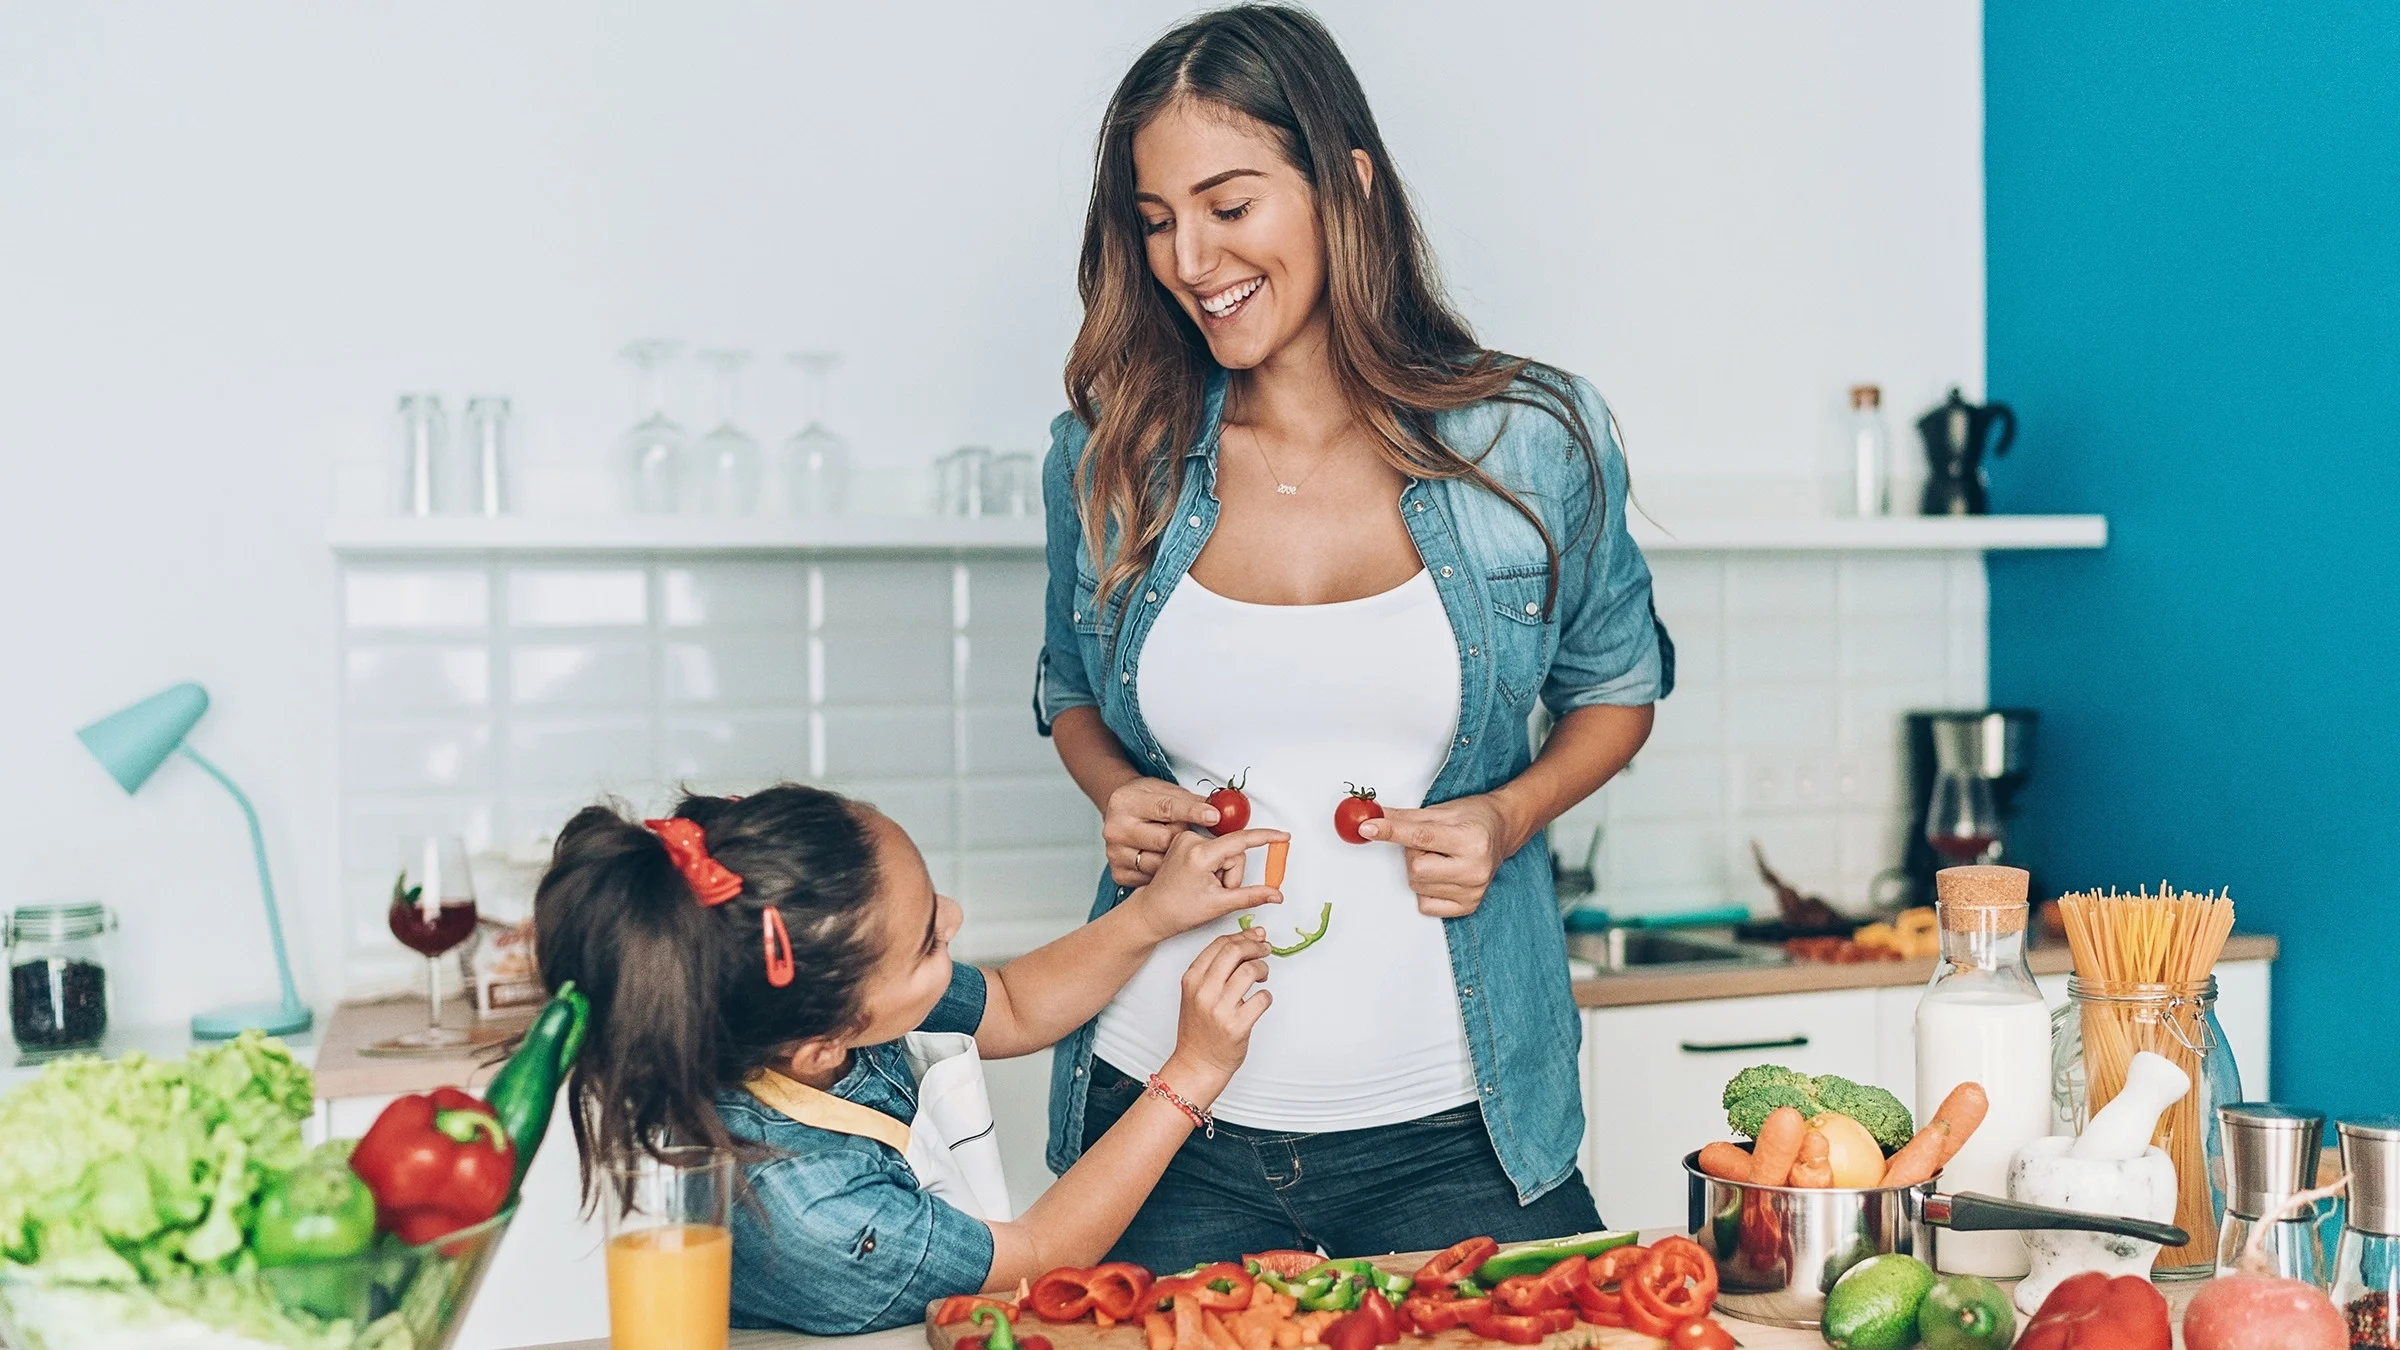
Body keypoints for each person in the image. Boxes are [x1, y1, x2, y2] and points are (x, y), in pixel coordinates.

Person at [1036, 6, 1674, 1268]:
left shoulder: (1532, 437)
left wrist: (1508, 814)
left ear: (1346, 185)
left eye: (1229, 204)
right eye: (1155, 219)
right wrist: (1118, 792)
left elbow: (1619, 686)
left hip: (1460, 1133)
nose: (1188, 256)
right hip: (1161, 1121)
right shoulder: (1110, 455)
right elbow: (1070, 688)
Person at [531, 784, 1286, 1334]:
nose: (954, 919)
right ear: (826, 1042)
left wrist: (1153, 912)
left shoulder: (815, 998)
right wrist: (1195, 1072)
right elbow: (1039, 1253)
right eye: (931, 939)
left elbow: (1013, 1003)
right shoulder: (812, 1209)